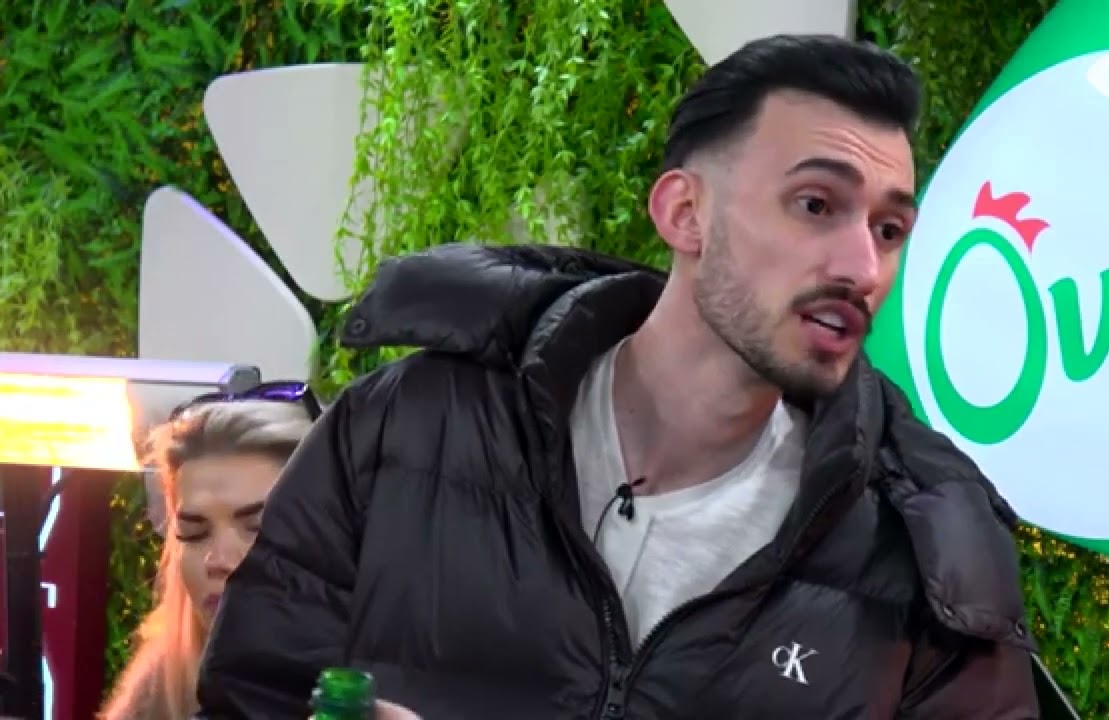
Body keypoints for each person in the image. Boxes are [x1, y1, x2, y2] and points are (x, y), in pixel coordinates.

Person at [198, 34, 1040, 718]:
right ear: (684, 213)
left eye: (889, 230)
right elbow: (249, 698)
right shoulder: (408, 429)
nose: (862, 266)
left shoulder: (926, 558)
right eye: (816, 205)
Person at [99, 398, 314, 719]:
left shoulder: (388, 680)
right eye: (194, 532)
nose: (218, 560)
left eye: (259, 527)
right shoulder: (158, 691)